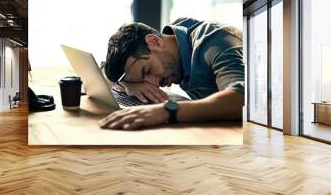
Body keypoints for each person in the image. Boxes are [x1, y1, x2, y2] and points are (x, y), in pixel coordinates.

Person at [99, 17, 244, 130]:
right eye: (143, 80)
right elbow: (104, 69)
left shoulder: (216, 41)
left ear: (155, 41)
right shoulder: (174, 40)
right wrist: (128, 83)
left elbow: (241, 100)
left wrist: (166, 111)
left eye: (147, 71)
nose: (155, 84)